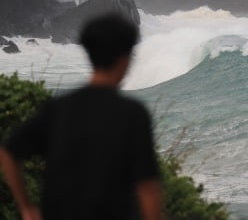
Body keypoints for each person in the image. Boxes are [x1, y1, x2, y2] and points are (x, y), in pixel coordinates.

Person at [0, 13, 161, 220]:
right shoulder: (132, 114)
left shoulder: (58, 108)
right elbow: (147, 185)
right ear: (124, 59)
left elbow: (8, 152)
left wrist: (26, 208)